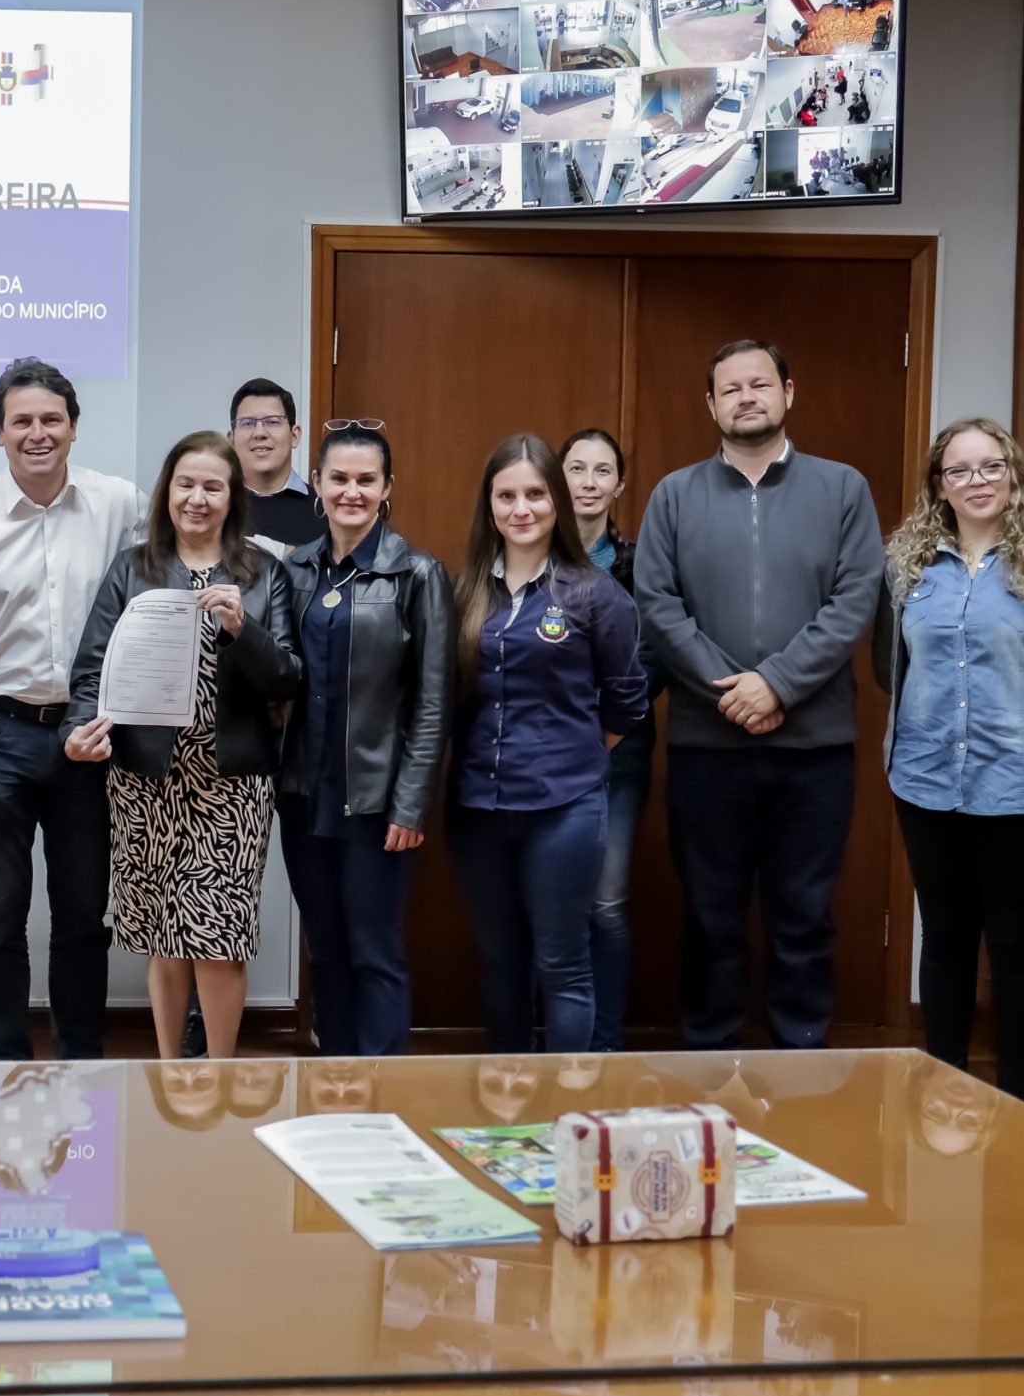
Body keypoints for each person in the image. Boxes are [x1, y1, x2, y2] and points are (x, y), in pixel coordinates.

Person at [635, 339, 883, 1051]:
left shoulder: (843, 488)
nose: (747, 396)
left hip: (815, 749)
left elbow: (853, 599)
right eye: (731, 388)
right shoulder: (674, 495)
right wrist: (732, 691)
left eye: (760, 383)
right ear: (710, 404)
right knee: (710, 917)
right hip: (707, 748)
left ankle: (799, 1065)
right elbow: (658, 604)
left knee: (804, 916)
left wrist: (776, 682)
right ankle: (708, 1066)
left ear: (788, 392)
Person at [876, 419, 1024, 1102]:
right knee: (944, 937)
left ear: (1014, 473)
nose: (977, 481)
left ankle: (1015, 1101)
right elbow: (892, 665)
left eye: (990, 466)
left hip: (1023, 785)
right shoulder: (906, 563)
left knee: (1012, 945)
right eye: (960, 470)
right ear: (938, 486)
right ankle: (944, 1086)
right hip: (924, 781)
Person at [0, 360, 143, 1060]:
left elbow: (148, 605)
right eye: (22, 420)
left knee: (83, 915)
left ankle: (81, 1058)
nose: (38, 433)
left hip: (89, 738)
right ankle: (6, 1063)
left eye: (52, 419)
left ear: (74, 428)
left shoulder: (120, 504)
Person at [62, 431, 301, 1059]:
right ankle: (171, 1074)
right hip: (145, 780)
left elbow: (285, 677)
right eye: (185, 484)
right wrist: (77, 732)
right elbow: (92, 671)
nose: (197, 499)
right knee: (166, 939)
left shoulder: (263, 572)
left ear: (232, 497)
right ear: (167, 491)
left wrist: (240, 627)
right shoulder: (134, 568)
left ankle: (217, 1073)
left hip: (232, 781)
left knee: (219, 941)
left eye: (213, 487)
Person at [445, 435, 645, 1055]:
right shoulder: (467, 591)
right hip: (478, 810)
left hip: (565, 810)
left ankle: (564, 1117)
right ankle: (511, 1112)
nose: (521, 508)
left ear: (556, 502)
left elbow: (627, 703)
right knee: (501, 963)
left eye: (535, 494)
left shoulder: (594, 594)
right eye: (507, 495)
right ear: (490, 505)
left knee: (562, 963)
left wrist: (570, 754)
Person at [276, 422, 450, 1058]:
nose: (351, 492)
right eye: (339, 479)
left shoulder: (416, 574)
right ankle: (338, 1085)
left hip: (378, 805)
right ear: (316, 484)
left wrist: (411, 804)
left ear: (386, 489)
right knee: (325, 950)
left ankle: (384, 1093)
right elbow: (278, 673)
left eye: (365, 481)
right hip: (301, 794)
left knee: (375, 950)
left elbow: (433, 704)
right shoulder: (293, 569)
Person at [560, 427, 660, 1052]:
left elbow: (659, 658)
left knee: (607, 905)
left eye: (602, 471)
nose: (589, 482)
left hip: (618, 755)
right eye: (577, 468)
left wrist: (607, 733)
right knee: (548, 911)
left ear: (619, 485)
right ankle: (550, 1050)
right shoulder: (530, 555)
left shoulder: (643, 563)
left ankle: (605, 1049)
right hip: (541, 759)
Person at [228, 378, 322, 549]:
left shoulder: (325, 508)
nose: (259, 433)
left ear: (294, 436)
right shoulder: (213, 506)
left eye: (272, 422)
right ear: (231, 440)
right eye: (247, 423)